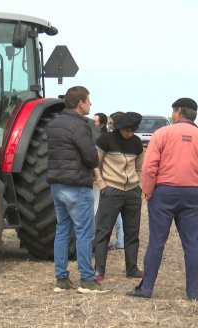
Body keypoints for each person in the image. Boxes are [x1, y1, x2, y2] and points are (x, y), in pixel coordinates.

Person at [126, 97, 198, 301]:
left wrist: (149, 191)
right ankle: (193, 292)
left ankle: (147, 288)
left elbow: (150, 166)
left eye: (173, 112)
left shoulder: (162, 134)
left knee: (156, 242)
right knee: (192, 243)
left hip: (164, 192)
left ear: (178, 112)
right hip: (192, 193)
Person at [46, 86, 108, 294]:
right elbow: (91, 157)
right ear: (80, 103)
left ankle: (61, 279)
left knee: (62, 230)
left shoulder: (53, 124)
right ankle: (87, 280)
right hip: (77, 185)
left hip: (57, 184)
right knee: (84, 233)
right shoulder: (81, 126)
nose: (91, 104)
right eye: (89, 100)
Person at [94, 112, 144, 281]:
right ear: (120, 127)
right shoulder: (105, 140)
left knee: (132, 232)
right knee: (103, 231)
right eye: (127, 130)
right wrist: (102, 185)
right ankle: (99, 270)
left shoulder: (136, 142)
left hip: (132, 192)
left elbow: (140, 167)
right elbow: (95, 164)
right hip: (111, 190)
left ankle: (132, 268)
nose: (129, 134)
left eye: (133, 131)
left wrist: (139, 185)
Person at [107, 111, 125, 250]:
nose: (110, 125)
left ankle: (121, 240)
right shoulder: (130, 139)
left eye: (112, 123)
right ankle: (122, 240)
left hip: (115, 181)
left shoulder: (111, 140)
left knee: (117, 213)